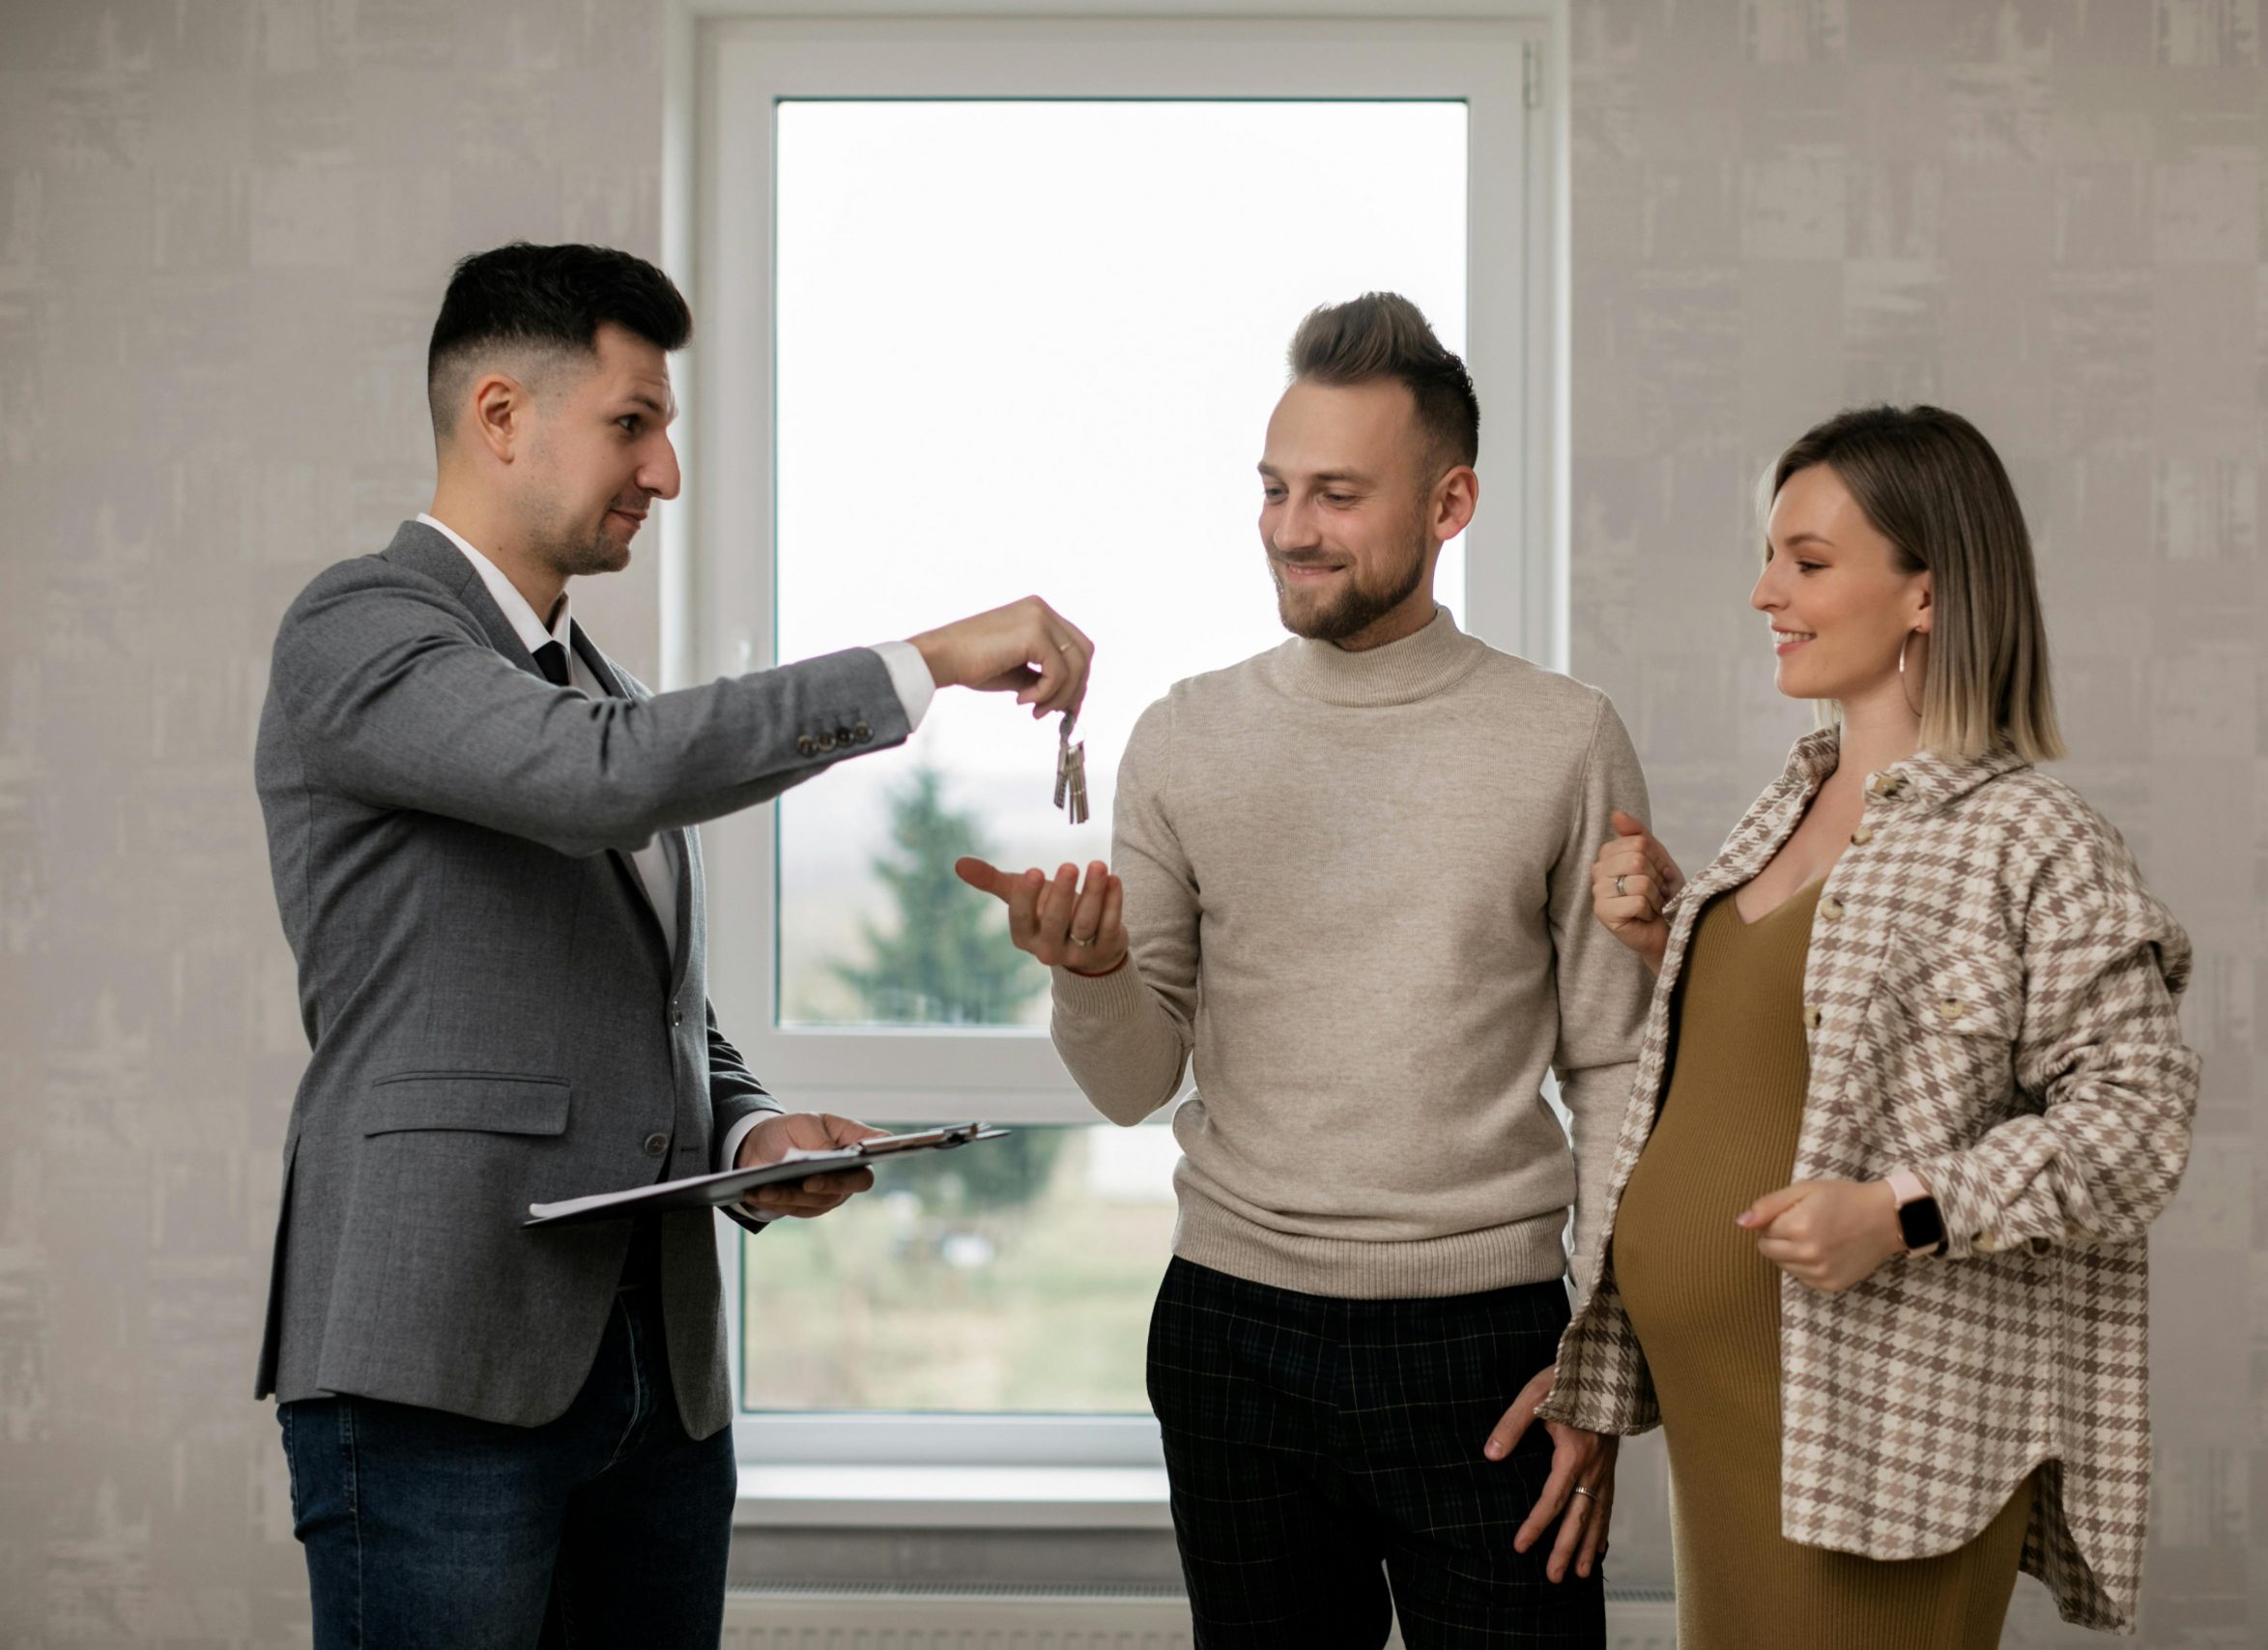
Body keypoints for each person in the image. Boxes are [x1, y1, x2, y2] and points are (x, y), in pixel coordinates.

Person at [253, 241, 1095, 1650]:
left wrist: (754, 1131)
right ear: (502, 415)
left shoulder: (604, 692)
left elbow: (654, 1006)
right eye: (633, 424)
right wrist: (925, 660)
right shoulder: (359, 629)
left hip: (657, 1385)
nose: (665, 472)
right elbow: (607, 774)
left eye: (669, 430)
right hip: (438, 1364)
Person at [957, 293, 1680, 1648]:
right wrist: (1092, 975)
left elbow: (1616, 1060)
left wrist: (1605, 1349)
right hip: (1232, 1335)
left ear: (1450, 500)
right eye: (1277, 489)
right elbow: (1131, 1084)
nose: (1293, 527)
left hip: (1489, 1345)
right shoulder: (1185, 738)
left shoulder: (1562, 737)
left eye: (1338, 493)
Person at [1546, 405, 2200, 1645]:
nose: (1763, 592)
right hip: (1733, 1417)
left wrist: (1902, 1212)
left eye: (1806, 561)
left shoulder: (2032, 838)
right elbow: (1815, 1051)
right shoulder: (1786, 804)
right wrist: (1674, 936)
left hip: (1880, 1442)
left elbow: (2137, 1129)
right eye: (1769, 558)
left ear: (1924, 596)